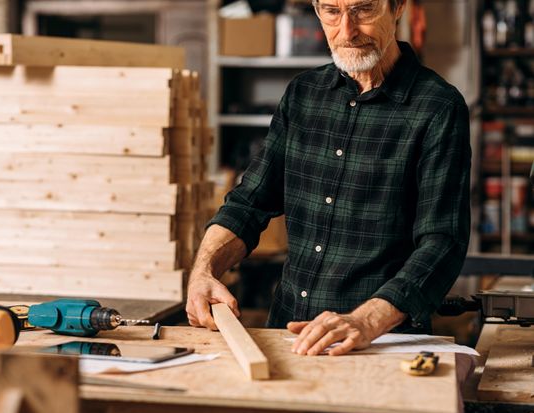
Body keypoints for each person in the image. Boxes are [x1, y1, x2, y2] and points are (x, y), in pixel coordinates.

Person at [186, 0, 471, 356]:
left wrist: (366, 320)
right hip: (288, 337)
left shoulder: (438, 107)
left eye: (364, 10)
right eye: (332, 11)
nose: (347, 31)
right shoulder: (303, 94)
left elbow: (443, 242)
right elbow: (248, 202)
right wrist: (204, 271)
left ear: (397, 7)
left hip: (381, 344)